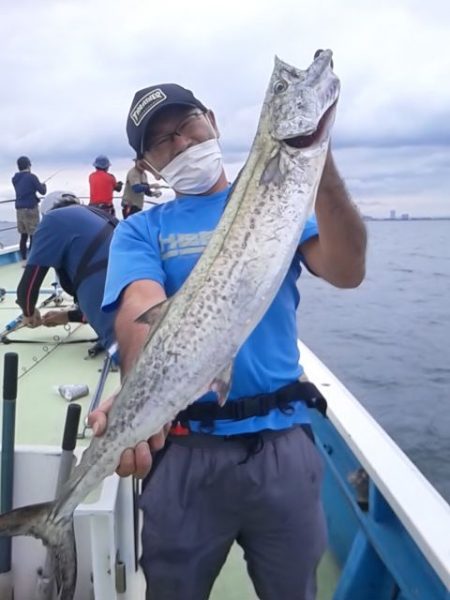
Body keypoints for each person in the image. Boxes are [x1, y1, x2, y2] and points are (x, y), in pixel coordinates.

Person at [91, 75, 367, 600]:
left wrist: (319, 166)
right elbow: (138, 310)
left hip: (283, 445)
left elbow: (348, 270)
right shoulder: (139, 230)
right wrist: (138, 392)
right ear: (148, 166)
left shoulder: (278, 201)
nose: (183, 143)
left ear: (212, 122)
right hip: (184, 451)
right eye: (162, 140)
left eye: (188, 125)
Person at [16, 191, 118, 353]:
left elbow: (28, 287)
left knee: (127, 355)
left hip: (116, 324)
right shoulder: (100, 215)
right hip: (138, 299)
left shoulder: (52, 220)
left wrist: (28, 312)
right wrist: (67, 316)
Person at [12, 156, 47, 261]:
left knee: (23, 236)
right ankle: (32, 259)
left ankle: (23, 259)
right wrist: (44, 185)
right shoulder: (32, 177)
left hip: (19, 210)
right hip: (31, 209)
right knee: (33, 235)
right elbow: (42, 191)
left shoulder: (14, 179)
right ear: (28, 165)